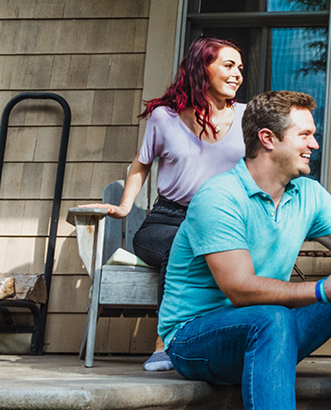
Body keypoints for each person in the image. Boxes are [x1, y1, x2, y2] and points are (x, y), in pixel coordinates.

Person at [158, 90, 331, 410]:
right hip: (195, 340)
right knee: (272, 318)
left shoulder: (308, 194)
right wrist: (321, 289)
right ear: (268, 139)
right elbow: (239, 288)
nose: (314, 144)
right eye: (305, 135)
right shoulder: (219, 197)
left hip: (271, 330)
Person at [85, 36, 246, 371]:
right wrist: (125, 207)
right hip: (167, 221)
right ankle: (165, 344)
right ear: (203, 68)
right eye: (229, 66)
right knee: (182, 246)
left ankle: (228, 342)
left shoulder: (247, 118)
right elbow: (141, 163)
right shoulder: (165, 117)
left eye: (240, 68)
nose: (237, 75)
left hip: (221, 220)